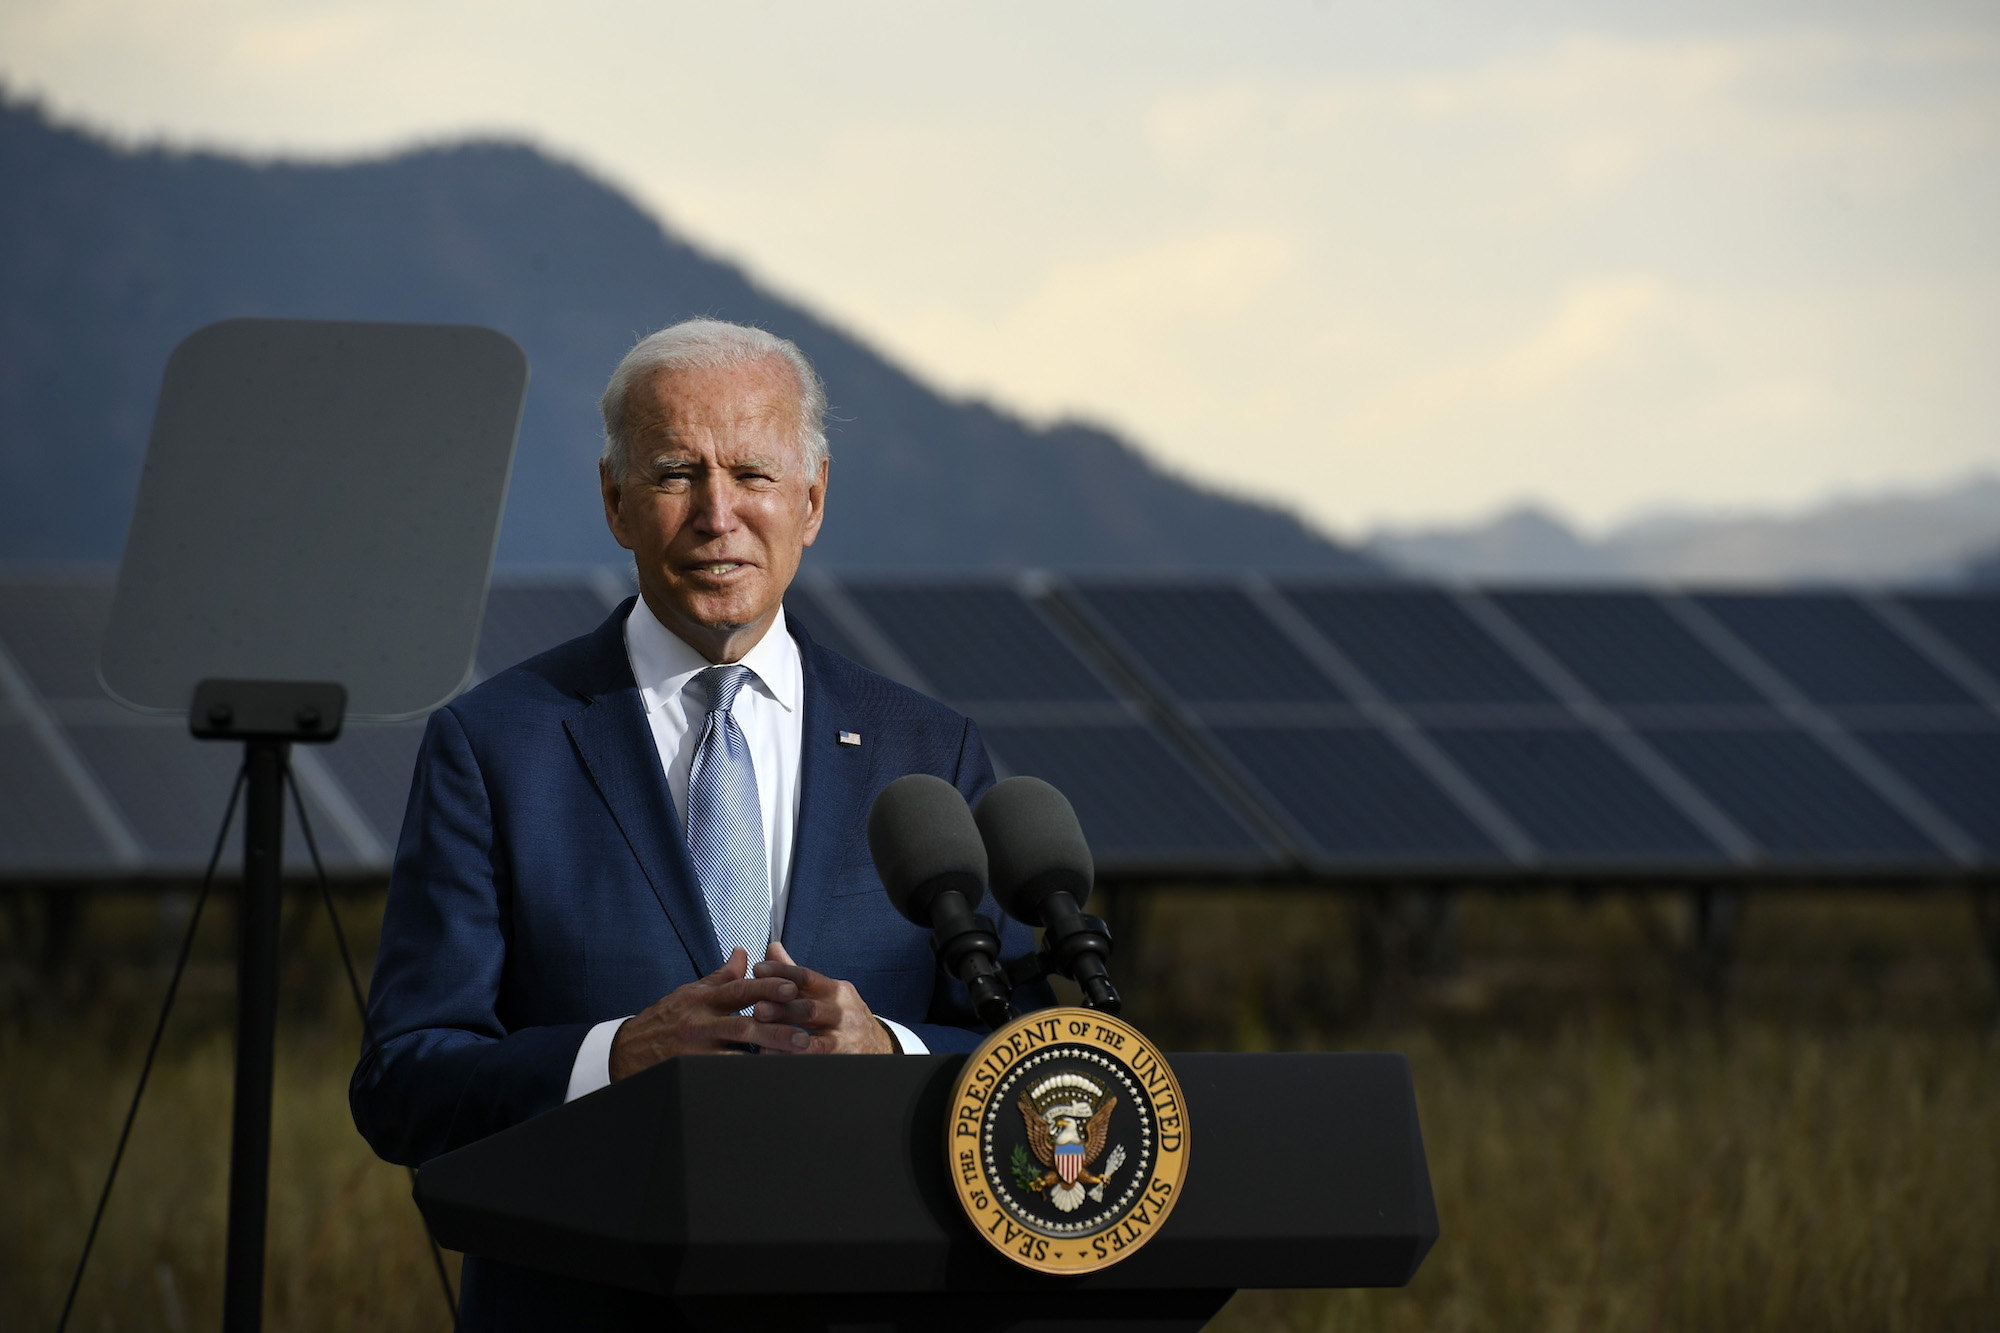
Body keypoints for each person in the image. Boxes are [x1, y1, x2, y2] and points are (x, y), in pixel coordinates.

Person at [350, 319, 1044, 1329]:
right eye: (677, 473)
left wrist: (890, 1055)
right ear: (613, 500)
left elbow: (1036, 1056)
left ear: (811, 501)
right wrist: (612, 1057)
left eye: (753, 474)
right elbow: (404, 1083)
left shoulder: (925, 751)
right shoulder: (495, 746)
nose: (717, 515)